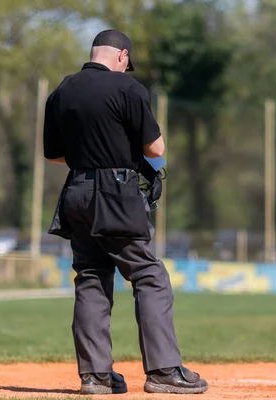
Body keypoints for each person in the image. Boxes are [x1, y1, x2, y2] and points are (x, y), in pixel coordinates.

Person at [43, 29, 208, 395]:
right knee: (149, 275)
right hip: (116, 191)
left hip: (76, 190)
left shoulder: (61, 91)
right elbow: (155, 146)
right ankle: (164, 370)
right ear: (122, 57)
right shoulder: (128, 89)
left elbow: (53, 154)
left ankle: (95, 377)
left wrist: (92, 156)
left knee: (90, 276)